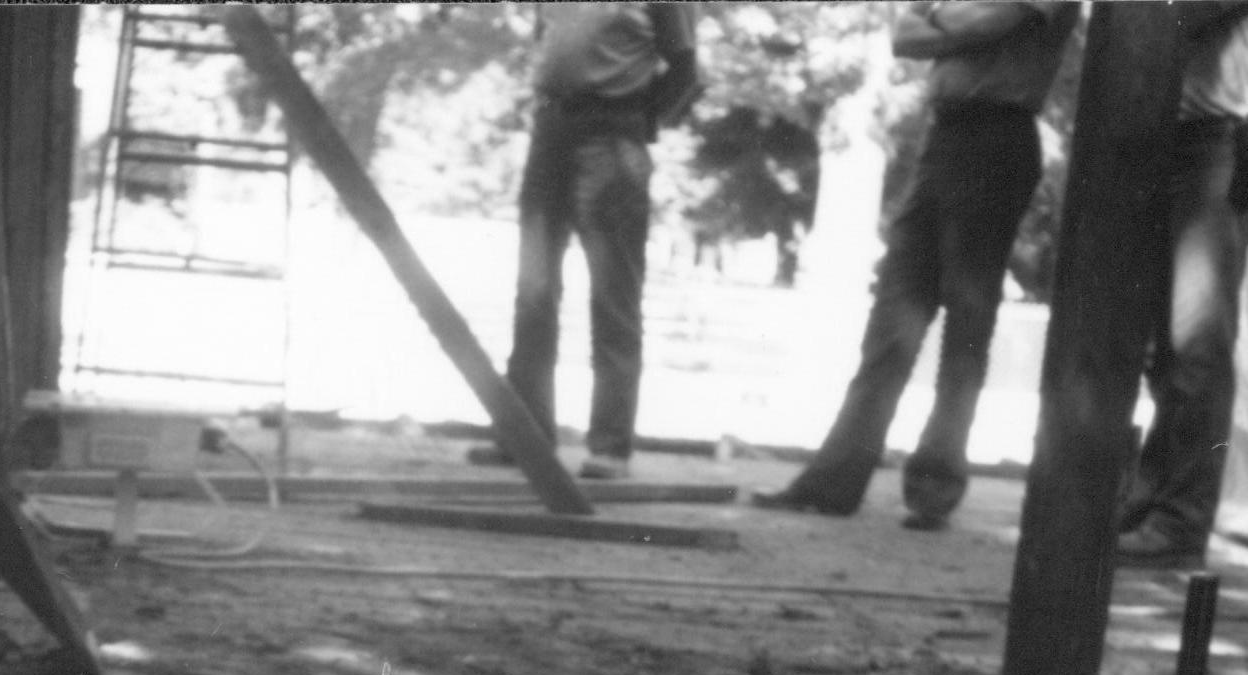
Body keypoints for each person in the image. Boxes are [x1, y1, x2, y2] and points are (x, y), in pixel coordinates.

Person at [760, 3, 1077, 532]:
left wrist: (938, 21)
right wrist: (943, 25)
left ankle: (935, 489)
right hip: (946, 135)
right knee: (893, 317)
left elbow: (984, 22)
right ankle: (832, 481)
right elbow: (903, 34)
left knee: (967, 322)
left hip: (998, 137)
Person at [503, 4, 702, 477]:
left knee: (613, 295)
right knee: (533, 290)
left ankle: (610, 448)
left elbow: (686, 70)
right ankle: (524, 437)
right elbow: (548, 42)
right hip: (550, 131)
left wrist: (637, 123)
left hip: (612, 138)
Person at [1118, 2, 1248, 565]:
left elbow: (1167, 16)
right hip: (1165, 135)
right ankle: (1150, 502)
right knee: (1165, 346)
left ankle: (1181, 521)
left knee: (1197, 339)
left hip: (1215, 140)